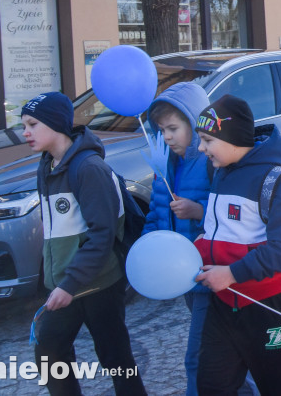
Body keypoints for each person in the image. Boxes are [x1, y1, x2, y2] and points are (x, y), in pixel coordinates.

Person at [23, 92, 146, 396]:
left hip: (99, 284)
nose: (25, 132)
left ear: (56, 124)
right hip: (68, 283)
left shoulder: (89, 169)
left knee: (116, 358)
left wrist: (68, 284)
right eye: (24, 124)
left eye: (32, 124)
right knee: (50, 352)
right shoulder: (48, 165)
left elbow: (102, 234)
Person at [193, 95, 281, 395]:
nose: (201, 148)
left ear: (231, 139)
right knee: (211, 384)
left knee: (277, 385)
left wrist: (230, 273)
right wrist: (199, 247)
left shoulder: (277, 180)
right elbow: (224, 231)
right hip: (224, 302)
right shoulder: (219, 170)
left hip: (269, 304)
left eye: (206, 140)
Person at [143, 83, 212, 396]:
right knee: (220, 350)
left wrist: (197, 210)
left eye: (173, 128)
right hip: (183, 275)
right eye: (162, 129)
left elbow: (233, 211)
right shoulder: (164, 167)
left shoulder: (211, 161)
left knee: (198, 356)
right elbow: (156, 214)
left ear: (195, 123)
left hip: (210, 273)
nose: (167, 136)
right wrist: (147, 249)